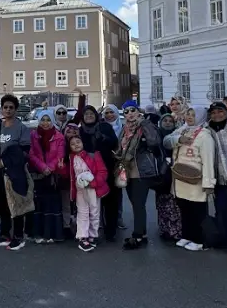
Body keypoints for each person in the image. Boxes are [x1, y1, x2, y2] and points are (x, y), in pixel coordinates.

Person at [163, 106, 215, 251]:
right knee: (184, 210)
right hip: (181, 177)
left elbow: (208, 160)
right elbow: (167, 141)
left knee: (197, 211)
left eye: (193, 115)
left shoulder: (205, 135)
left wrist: (209, 183)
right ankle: (187, 235)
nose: (189, 117)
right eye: (188, 114)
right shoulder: (183, 130)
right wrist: (178, 139)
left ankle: (200, 240)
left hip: (196, 180)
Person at [115, 100, 163, 250]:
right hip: (127, 170)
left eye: (132, 110)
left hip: (141, 170)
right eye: (126, 112)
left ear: (138, 111)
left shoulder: (145, 126)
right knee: (135, 203)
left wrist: (145, 123)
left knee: (138, 203)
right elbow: (120, 147)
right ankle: (141, 233)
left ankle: (138, 235)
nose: (130, 114)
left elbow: (154, 142)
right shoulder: (125, 129)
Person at [0, 94, 32, 251]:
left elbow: (24, 151)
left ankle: (18, 236)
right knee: (1, 204)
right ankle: (5, 233)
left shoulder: (21, 128)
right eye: (5, 107)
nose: (7, 110)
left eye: (11, 107)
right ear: (1, 109)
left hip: (14, 173)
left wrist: (6, 162)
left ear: (16, 110)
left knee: (17, 204)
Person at [80, 105, 118, 241]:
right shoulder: (80, 131)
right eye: (86, 114)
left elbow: (114, 143)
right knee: (90, 202)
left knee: (109, 200)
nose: (89, 116)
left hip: (106, 168)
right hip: (87, 171)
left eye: (91, 114)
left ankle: (110, 230)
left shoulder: (105, 127)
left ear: (96, 115)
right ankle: (92, 230)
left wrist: (103, 138)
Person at [28, 110, 65, 243]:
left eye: (48, 120)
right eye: (43, 120)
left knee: (52, 204)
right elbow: (32, 154)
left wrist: (50, 168)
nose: (45, 123)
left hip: (53, 176)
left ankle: (52, 234)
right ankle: (39, 233)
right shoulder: (33, 135)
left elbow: (60, 156)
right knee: (39, 204)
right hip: (39, 173)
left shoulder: (59, 136)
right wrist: (42, 167)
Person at [68, 135, 109, 252]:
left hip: (93, 188)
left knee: (94, 212)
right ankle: (82, 236)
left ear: (83, 142)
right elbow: (70, 175)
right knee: (82, 212)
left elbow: (102, 172)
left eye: (78, 142)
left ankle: (93, 235)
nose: (76, 144)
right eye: (72, 143)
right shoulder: (71, 158)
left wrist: (93, 183)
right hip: (80, 190)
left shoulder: (93, 155)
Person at [206, 101, 227, 253]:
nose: (217, 115)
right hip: (219, 180)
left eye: (220, 111)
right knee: (223, 214)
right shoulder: (207, 131)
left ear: (226, 112)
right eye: (213, 112)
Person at [156, 112, 182, 242]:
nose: (167, 123)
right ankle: (164, 229)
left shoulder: (177, 135)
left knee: (174, 205)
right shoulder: (157, 136)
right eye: (165, 120)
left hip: (175, 174)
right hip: (161, 174)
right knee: (161, 203)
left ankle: (175, 230)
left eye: (170, 121)